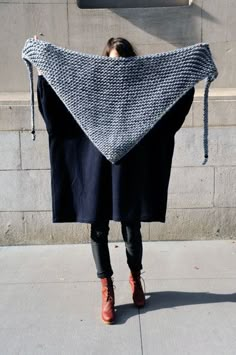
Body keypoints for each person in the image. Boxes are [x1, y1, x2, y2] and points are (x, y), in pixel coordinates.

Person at [34, 35, 195, 325]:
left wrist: (187, 71)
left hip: (130, 164)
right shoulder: (92, 85)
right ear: (104, 60)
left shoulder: (140, 88)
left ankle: (135, 276)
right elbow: (65, 99)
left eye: (121, 62)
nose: (116, 68)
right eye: (111, 61)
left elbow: (165, 101)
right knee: (98, 227)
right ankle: (106, 287)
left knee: (131, 227)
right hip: (96, 161)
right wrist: (46, 68)